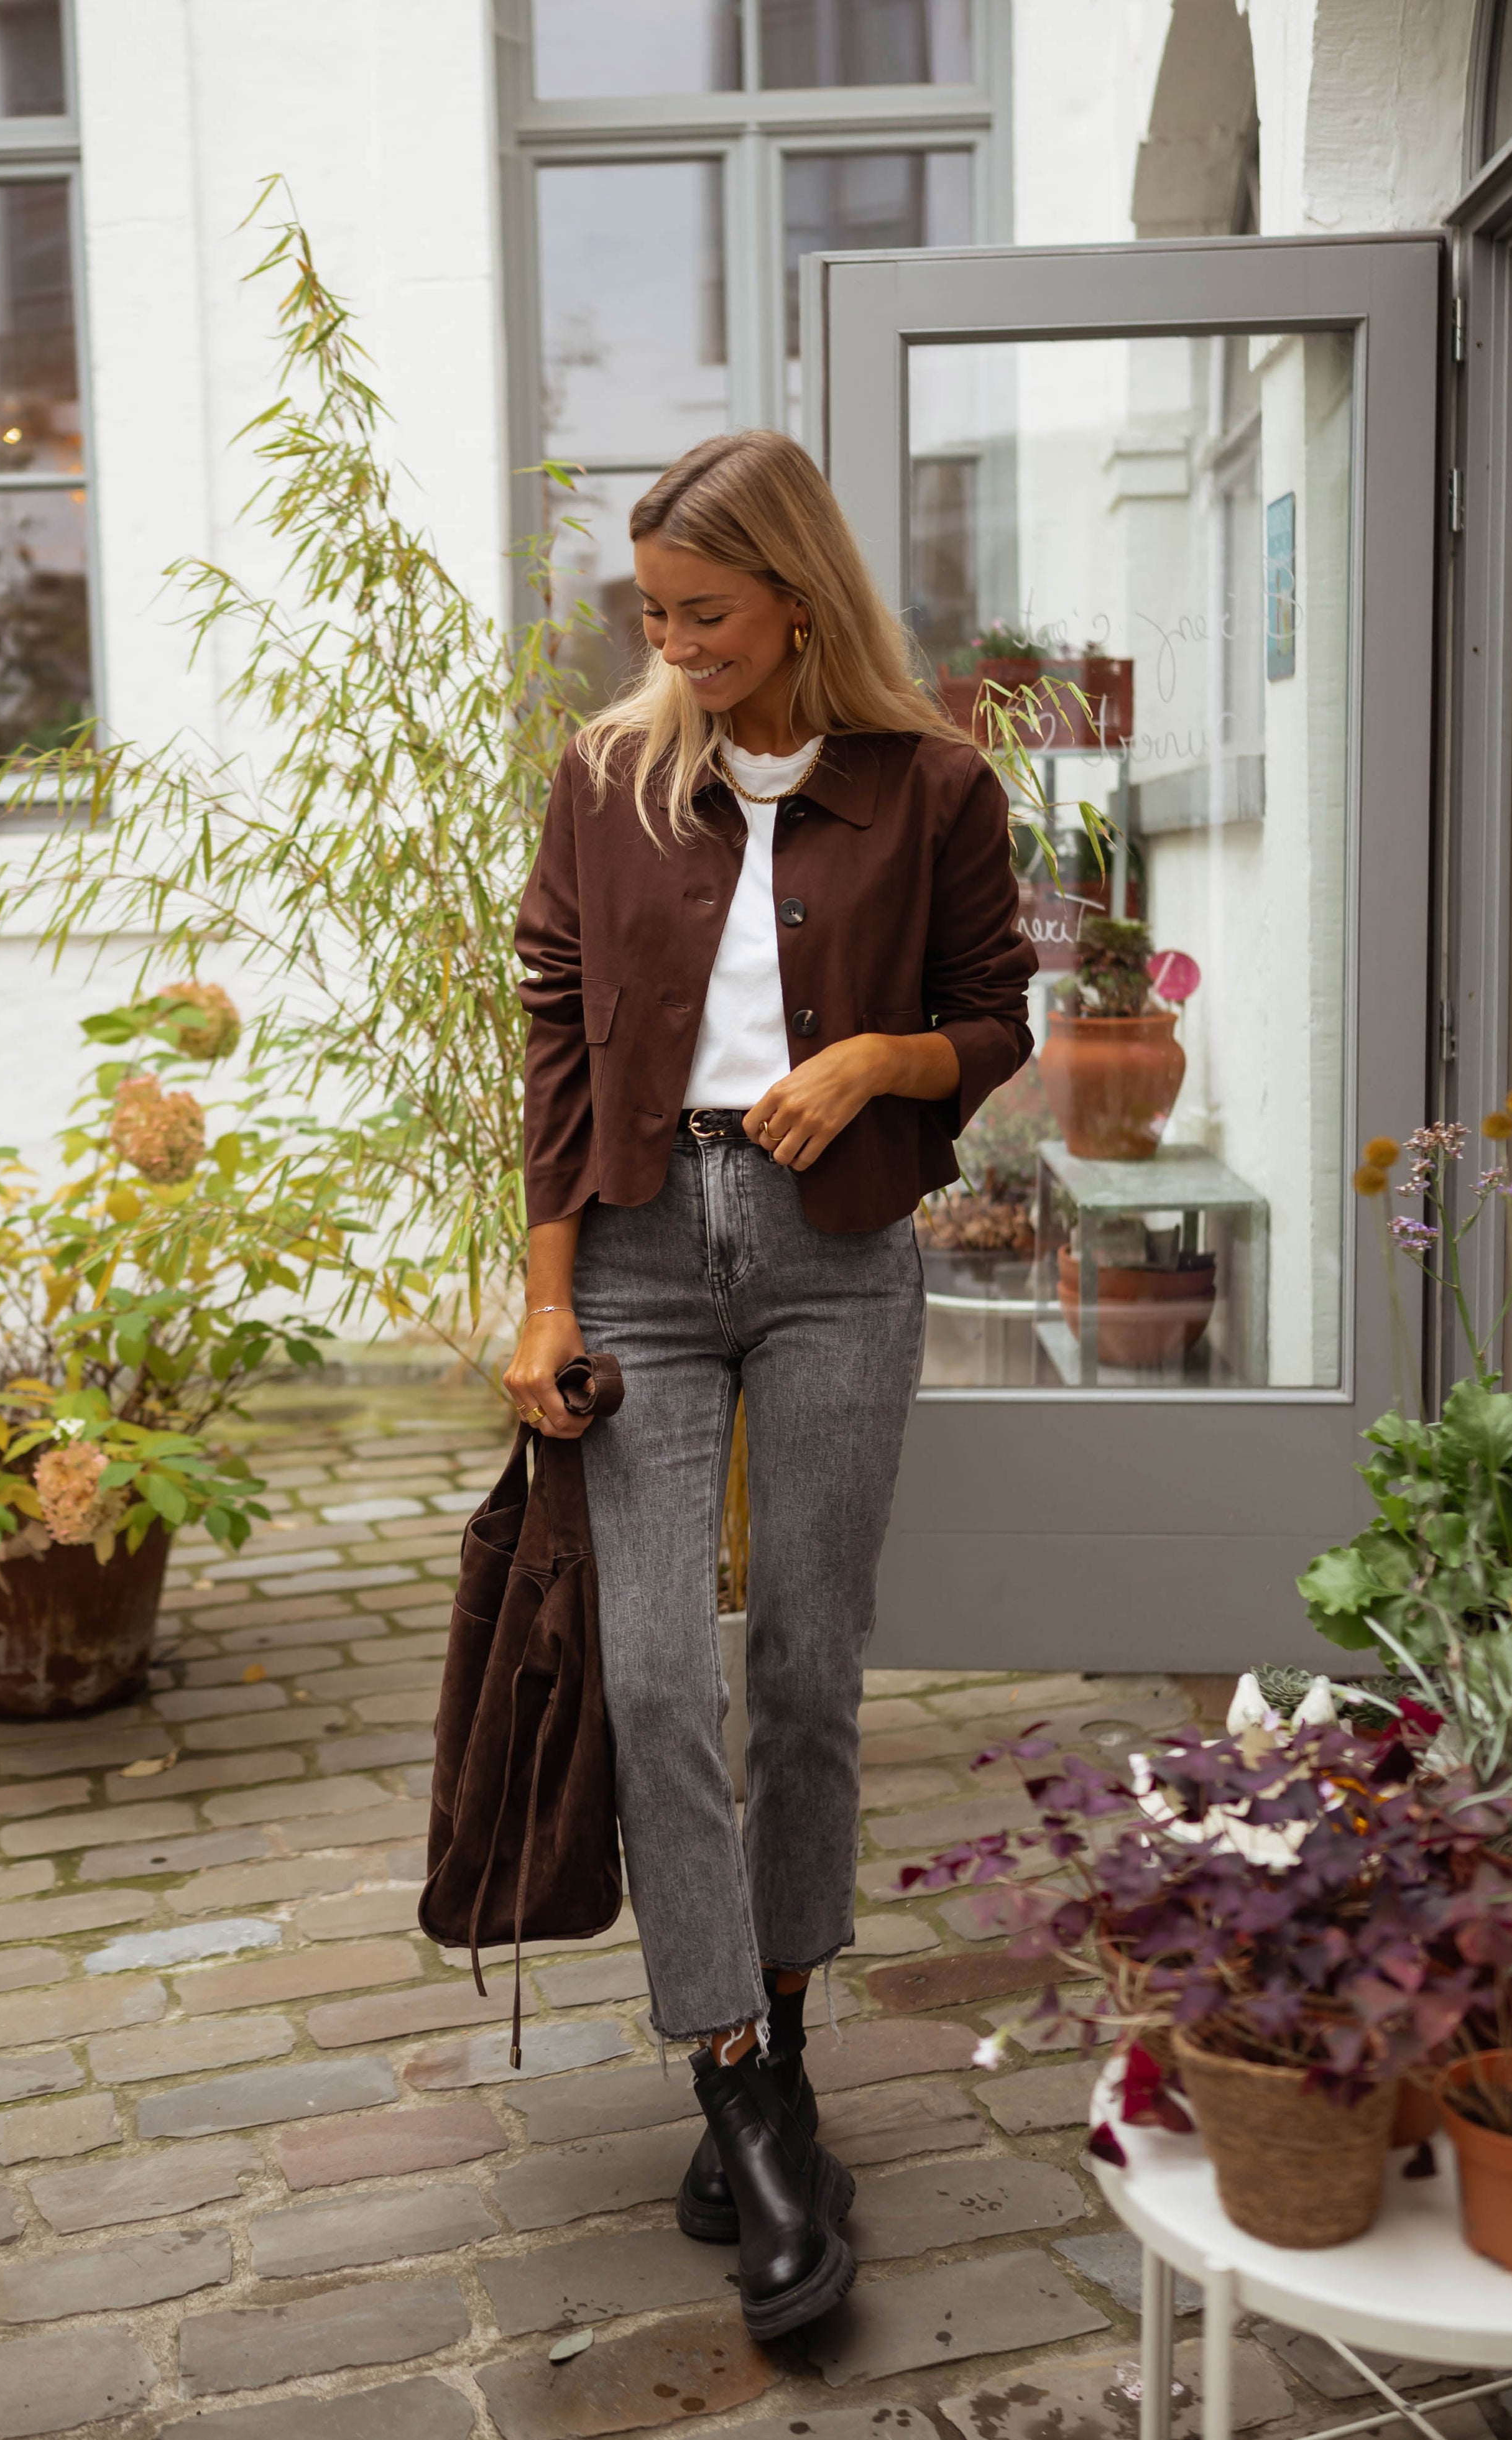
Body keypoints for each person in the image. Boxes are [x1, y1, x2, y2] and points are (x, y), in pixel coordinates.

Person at [504, 428, 1035, 2339]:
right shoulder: (609, 778)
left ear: (797, 596)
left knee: (806, 1662)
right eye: (652, 613)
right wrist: (542, 1300)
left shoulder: (934, 785)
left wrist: (880, 1059)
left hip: (837, 1255)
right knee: (655, 1669)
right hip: (639, 1257)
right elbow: (554, 1039)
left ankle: (780, 2040)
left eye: (704, 612)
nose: (671, 644)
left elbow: (997, 1020)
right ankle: (742, 2084)